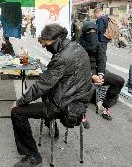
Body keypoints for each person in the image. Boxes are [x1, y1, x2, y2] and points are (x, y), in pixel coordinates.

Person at [11, 24, 94, 167]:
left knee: (17, 112)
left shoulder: (61, 57)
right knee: (45, 92)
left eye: (46, 43)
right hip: (79, 100)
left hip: (65, 105)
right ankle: (52, 126)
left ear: (57, 39)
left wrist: (20, 101)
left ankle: (33, 156)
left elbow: (42, 85)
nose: (44, 46)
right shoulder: (77, 47)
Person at [79, 22, 125, 121]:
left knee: (119, 81)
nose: (92, 34)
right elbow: (77, 64)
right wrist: (91, 76)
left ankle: (105, 106)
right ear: (84, 32)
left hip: (98, 70)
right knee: (83, 87)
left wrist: (100, 74)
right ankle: (81, 113)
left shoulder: (97, 44)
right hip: (84, 71)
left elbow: (101, 60)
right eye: (90, 32)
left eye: (94, 32)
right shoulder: (77, 45)